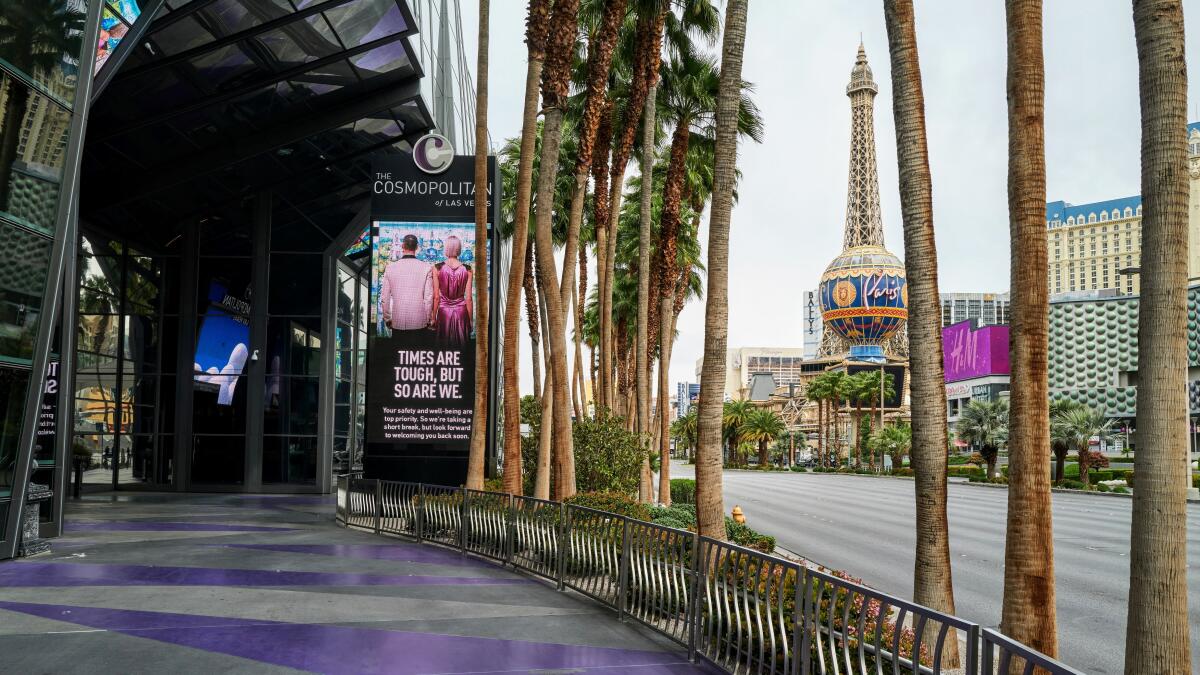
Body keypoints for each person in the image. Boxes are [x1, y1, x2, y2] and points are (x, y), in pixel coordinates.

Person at [378, 234, 434, 335]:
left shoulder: (390, 268)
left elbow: (384, 297)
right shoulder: (426, 267)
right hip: (419, 322)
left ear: (402, 246)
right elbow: (428, 298)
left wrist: (387, 318)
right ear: (417, 247)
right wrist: (428, 319)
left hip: (397, 322)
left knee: (398, 350)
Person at [431, 235, 472, 347]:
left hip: (444, 313)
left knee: (443, 349)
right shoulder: (468, 269)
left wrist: (433, 317)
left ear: (446, 248)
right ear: (459, 249)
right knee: (462, 348)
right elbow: (468, 299)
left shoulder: (437, 268)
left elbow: (436, 297)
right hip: (461, 312)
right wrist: (470, 320)